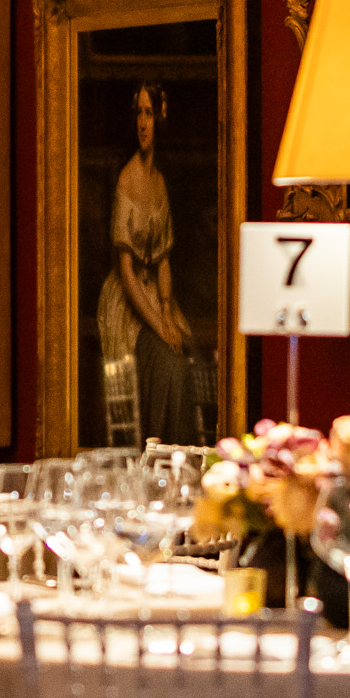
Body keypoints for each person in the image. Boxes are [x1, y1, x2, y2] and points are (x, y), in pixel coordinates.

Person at [97, 83, 202, 445]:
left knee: (189, 351)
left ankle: (184, 455)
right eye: (138, 113)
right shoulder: (128, 178)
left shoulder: (158, 181)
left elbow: (163, 260)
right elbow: (127, 271)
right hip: (126, 304)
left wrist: (169, 312)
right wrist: (159, 325)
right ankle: (157, 451)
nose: (143, 123)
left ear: (160, 119)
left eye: (149, 113)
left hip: (154, 293)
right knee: (170, 365)